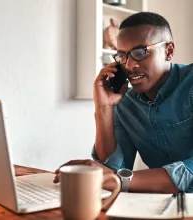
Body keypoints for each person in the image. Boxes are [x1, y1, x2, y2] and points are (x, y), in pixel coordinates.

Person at [54, 12, 193, 193]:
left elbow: (115, 179)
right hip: (163, 205)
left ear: (169, 51)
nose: (129, 65)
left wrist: (119, 180)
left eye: (140, 53)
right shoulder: (126, 103)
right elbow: (112, 170)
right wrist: (103, 108)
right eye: (122, 56)